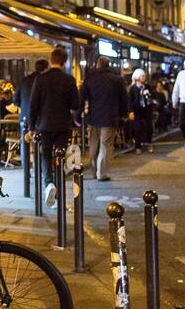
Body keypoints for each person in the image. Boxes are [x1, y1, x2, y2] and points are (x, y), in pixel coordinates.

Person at [28, 46, 81, 208]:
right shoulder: (69, 80)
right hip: (63, 125)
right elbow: (75, 104)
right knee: (60, 156)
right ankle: (57, 193)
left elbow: (33, 105)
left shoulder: (41, 79)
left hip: (44, 124)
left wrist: (31, 127)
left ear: (51, 61)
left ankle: (49, 183)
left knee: (45, 156)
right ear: (64, 62)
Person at [80, 57, 128, 182]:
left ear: (97, 65)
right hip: (110, 117)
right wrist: (124, 115)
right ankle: (102, 173)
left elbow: (82, 96)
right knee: (106, 145)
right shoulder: (117, 79)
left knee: (94, 144)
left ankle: (94, 171)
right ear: (108, 65)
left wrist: (79, 113)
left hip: (93, 117)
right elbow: (124, 99)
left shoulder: (89, 78)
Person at [128, 69, 156, 154]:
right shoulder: (133, 88)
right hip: (137, 111)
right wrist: (131, 111)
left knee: (149, 128)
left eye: (144, 76)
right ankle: (137, 146)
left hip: (146, 110)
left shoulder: (147, 86)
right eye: (142, 76)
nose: (144, 78)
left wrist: (149, 94)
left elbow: (153, 98)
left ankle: (149, 143)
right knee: (137, 129)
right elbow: (130, 101)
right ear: (137, 77)